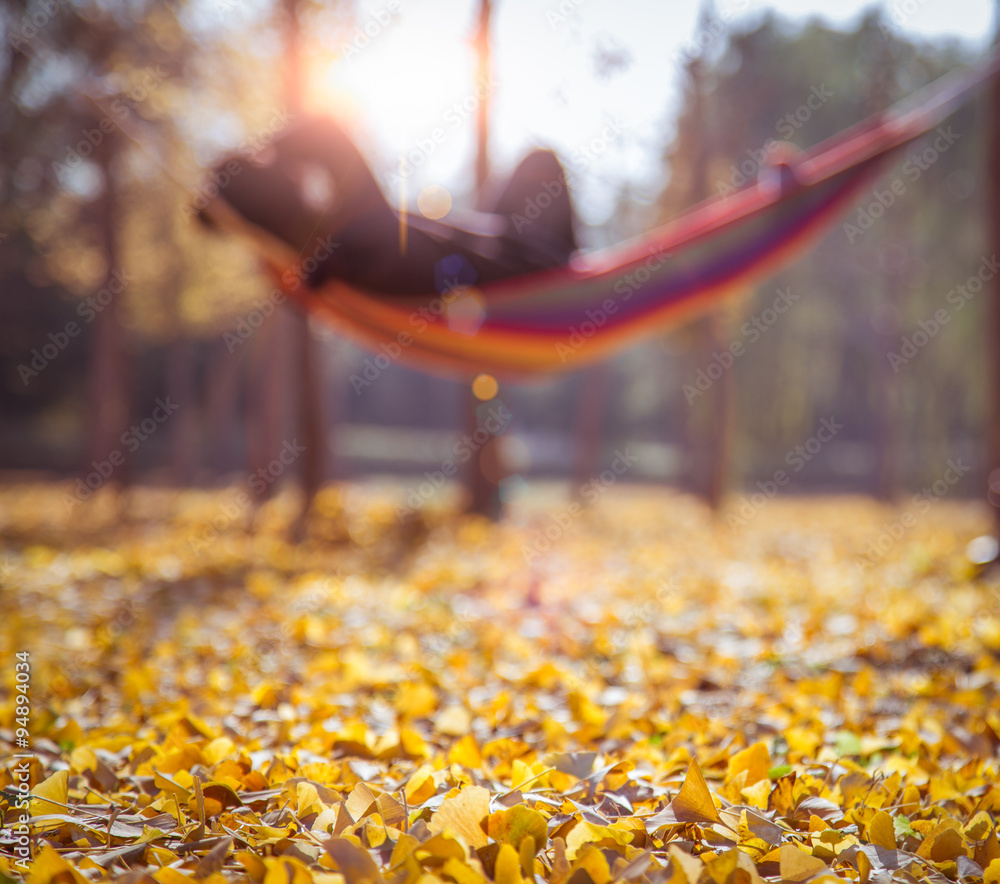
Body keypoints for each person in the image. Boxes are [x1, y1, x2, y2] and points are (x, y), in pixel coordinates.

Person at [197, 115, 579, 297]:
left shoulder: (320, 258)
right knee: (540, 161)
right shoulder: (359, 224)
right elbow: (326, 132)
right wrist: (272, 150)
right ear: (283, 182)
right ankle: (584, 261)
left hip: (495, 246)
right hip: (535, 262)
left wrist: (231, 212)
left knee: (501, 200)